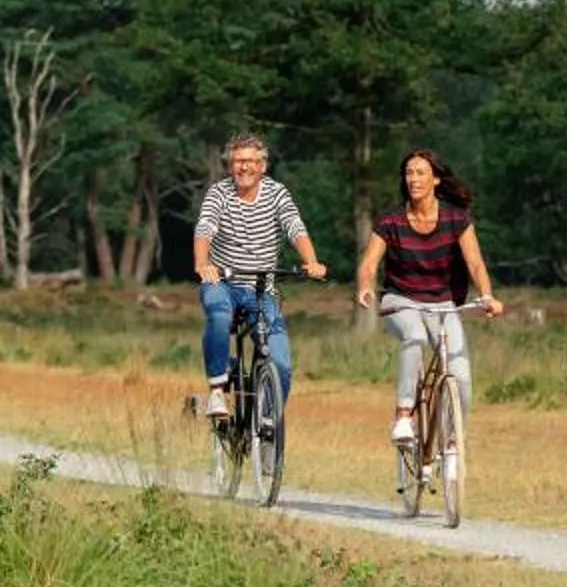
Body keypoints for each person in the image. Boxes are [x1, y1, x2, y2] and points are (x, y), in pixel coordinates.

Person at [354, 149, 501, 444]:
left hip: (444, 304)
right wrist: (365, 285)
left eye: (421, 173)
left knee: (461, 376)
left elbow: (475, 262)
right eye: (409, 173)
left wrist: (487, 295)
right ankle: (404, 416)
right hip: (401, 300)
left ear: (435, 179)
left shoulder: (456, 219)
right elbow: (369, 263)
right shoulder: (391, 221)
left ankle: (451, 443)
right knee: (416, 338)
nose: (413, 179)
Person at [193, 133, 327, 419]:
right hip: (223, 282)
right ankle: (217, 390)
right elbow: (205, 229)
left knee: (281, 364)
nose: (245, 168)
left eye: (251, 161)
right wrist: (203, 264)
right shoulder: (219, 193)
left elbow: (295, 227)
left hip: (261, 288)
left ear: (263, 166)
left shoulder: (277, 193)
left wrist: (311, 261)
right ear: (230, 165)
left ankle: (265, 423)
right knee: (218, 314)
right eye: (238, 161)